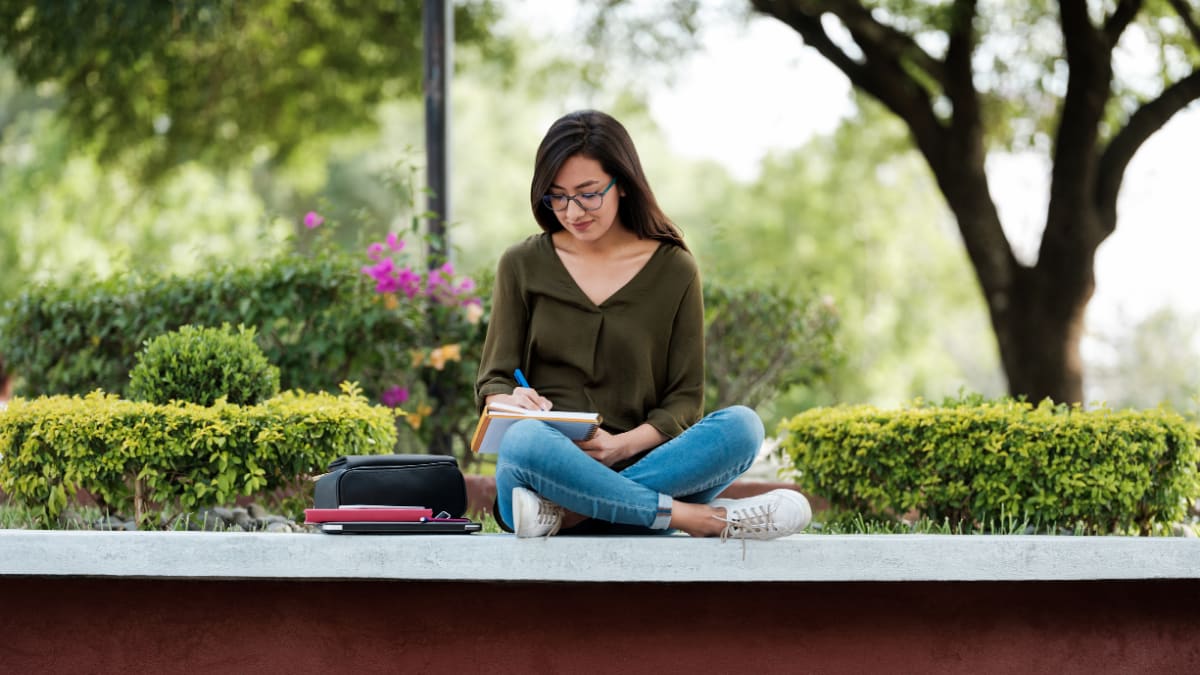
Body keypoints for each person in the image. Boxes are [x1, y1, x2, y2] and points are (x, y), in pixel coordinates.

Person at [475, 110, 811, 540]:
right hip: (542, 470)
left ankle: (568, 514)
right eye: (556, 197)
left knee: (743, 428)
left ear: (624, 184)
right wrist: (510, 399)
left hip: (639, 465)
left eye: (588, 194)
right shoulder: (521, 264)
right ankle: (699, 519)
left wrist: (619, 447)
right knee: (524, 440)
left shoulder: (674, 270)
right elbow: (495, 379)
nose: (572, 211)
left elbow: (684, 401)